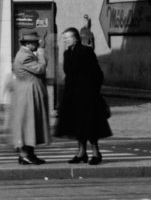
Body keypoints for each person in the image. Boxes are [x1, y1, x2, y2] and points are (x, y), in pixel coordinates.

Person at [54, 27, 112, 164]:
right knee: (77, 125)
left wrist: (92, 91)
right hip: (72, 96)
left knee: (90, 125)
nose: (65, 41)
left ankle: (96, 153)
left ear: (75, 39)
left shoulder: (86, 51)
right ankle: (81, 152)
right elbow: (68, 74)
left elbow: (98, 74)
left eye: (67, 38)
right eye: (64, 38)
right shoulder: (67, 54)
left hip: (87, 95)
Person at [8, 31, 52, 165]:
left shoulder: (24, 54)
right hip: (29, 94)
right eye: (35, 42)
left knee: (30, 124)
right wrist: (41, 52)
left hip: (28, 93)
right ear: (29, 43)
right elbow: (40, 69)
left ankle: (29, 154)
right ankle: (25, 154)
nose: (37, 44)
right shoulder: (24, 56)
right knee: (29, 124)